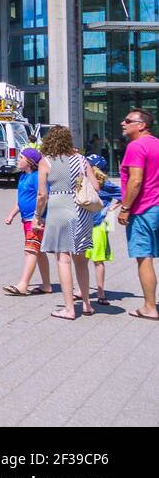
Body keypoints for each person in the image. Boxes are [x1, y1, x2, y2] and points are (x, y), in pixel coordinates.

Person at [34, 125, 97, 320]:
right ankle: (86, 304)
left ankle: (69, 308)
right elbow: (95, 185)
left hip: (59, 209)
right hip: (82, 210)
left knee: (63, 259)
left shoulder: (46, 162)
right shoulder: (81, 159)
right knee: (81, 260)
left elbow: (42, 195)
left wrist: (38, 215)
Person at [117, 107, 159, 320]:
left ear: (141, 125)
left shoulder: (136, 146)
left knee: (145, 258)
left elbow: (136, 180)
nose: (122, 123)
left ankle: (149, 307)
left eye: (127, 120)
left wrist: (125, 208)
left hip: (144, 209)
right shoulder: (157, 144)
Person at [2, 147, 53, 296]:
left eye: (21, 158)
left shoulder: (38, 176)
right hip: (26, 219)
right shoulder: (23, 177)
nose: (18, 160)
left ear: (30, 162)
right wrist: (12, 214)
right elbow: (21, 201)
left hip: (35, 219)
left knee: (30, 250)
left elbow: (43, 196)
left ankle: (23, 285)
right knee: (39, 252)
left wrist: (39, 216)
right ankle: (46, 285)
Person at [83, 153, 120, 306]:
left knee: (98, 260)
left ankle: (100, 292)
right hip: (83, 225)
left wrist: (110, 209)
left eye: (88, 165)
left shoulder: (105, 184)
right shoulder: (83, 181)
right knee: (81, 261)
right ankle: (82, 290)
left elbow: (123, 194)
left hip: (98, 226)